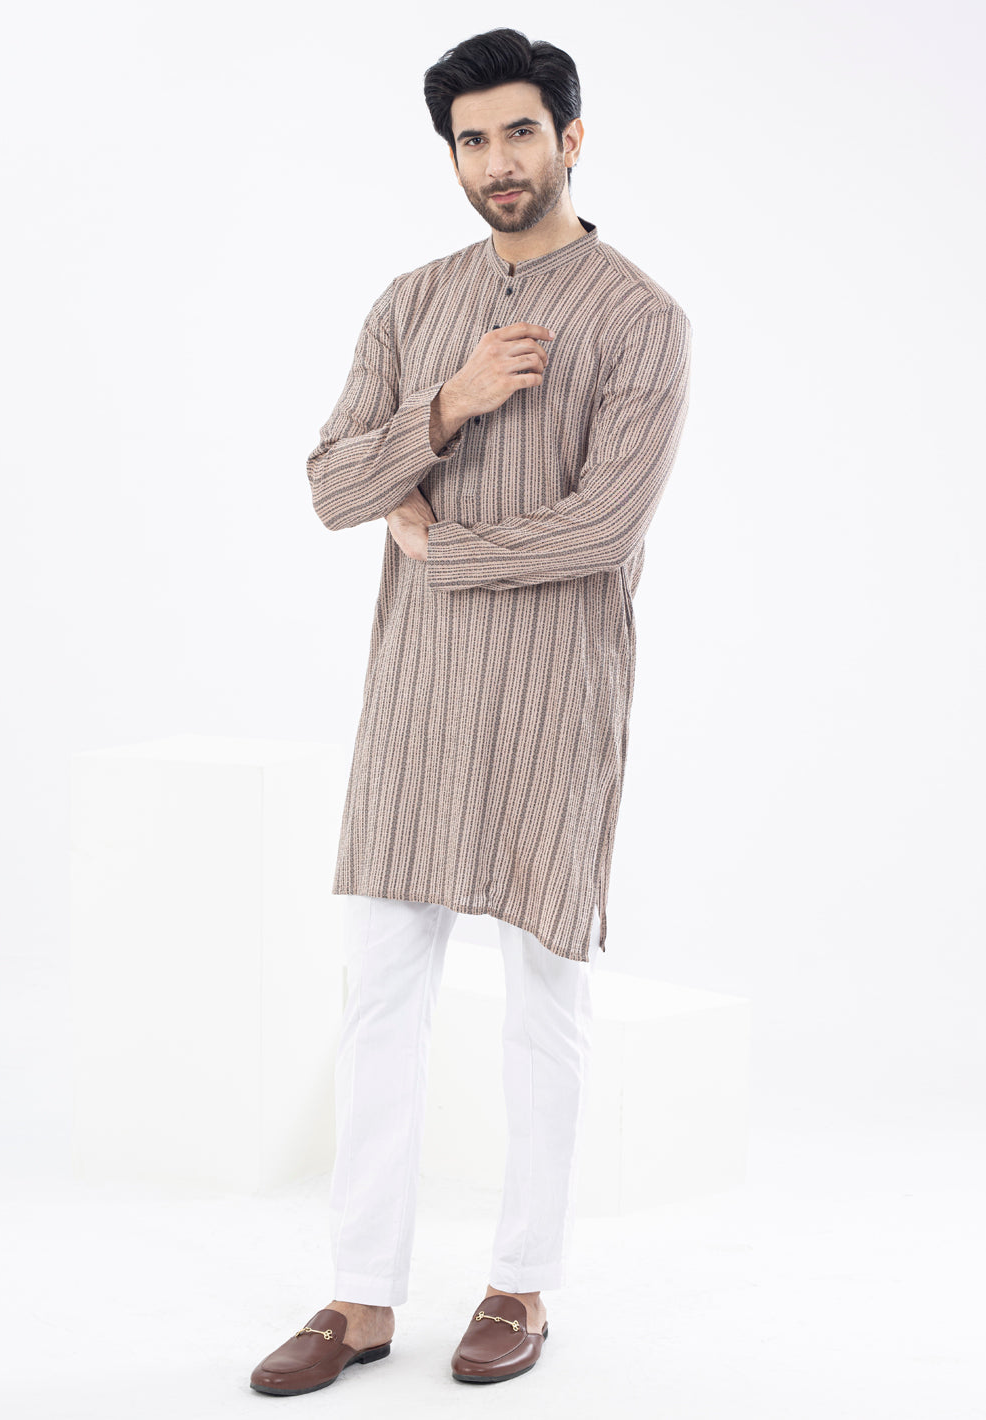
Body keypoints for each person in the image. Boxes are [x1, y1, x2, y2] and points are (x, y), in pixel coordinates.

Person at [250, 25, 692, 1395]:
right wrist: (443, 405)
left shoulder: (640, 319)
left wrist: (440, 545)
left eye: (520, 132)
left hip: (554, 702)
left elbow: (604, 529)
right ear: (451, 154)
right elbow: (332, 485)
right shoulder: (412, 303)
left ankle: (520, 1284)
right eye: (472, 139)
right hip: (415, 704)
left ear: (572, 138)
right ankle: (360, 1297)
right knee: (380, 999)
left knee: (542, 1002)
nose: (497, 161)